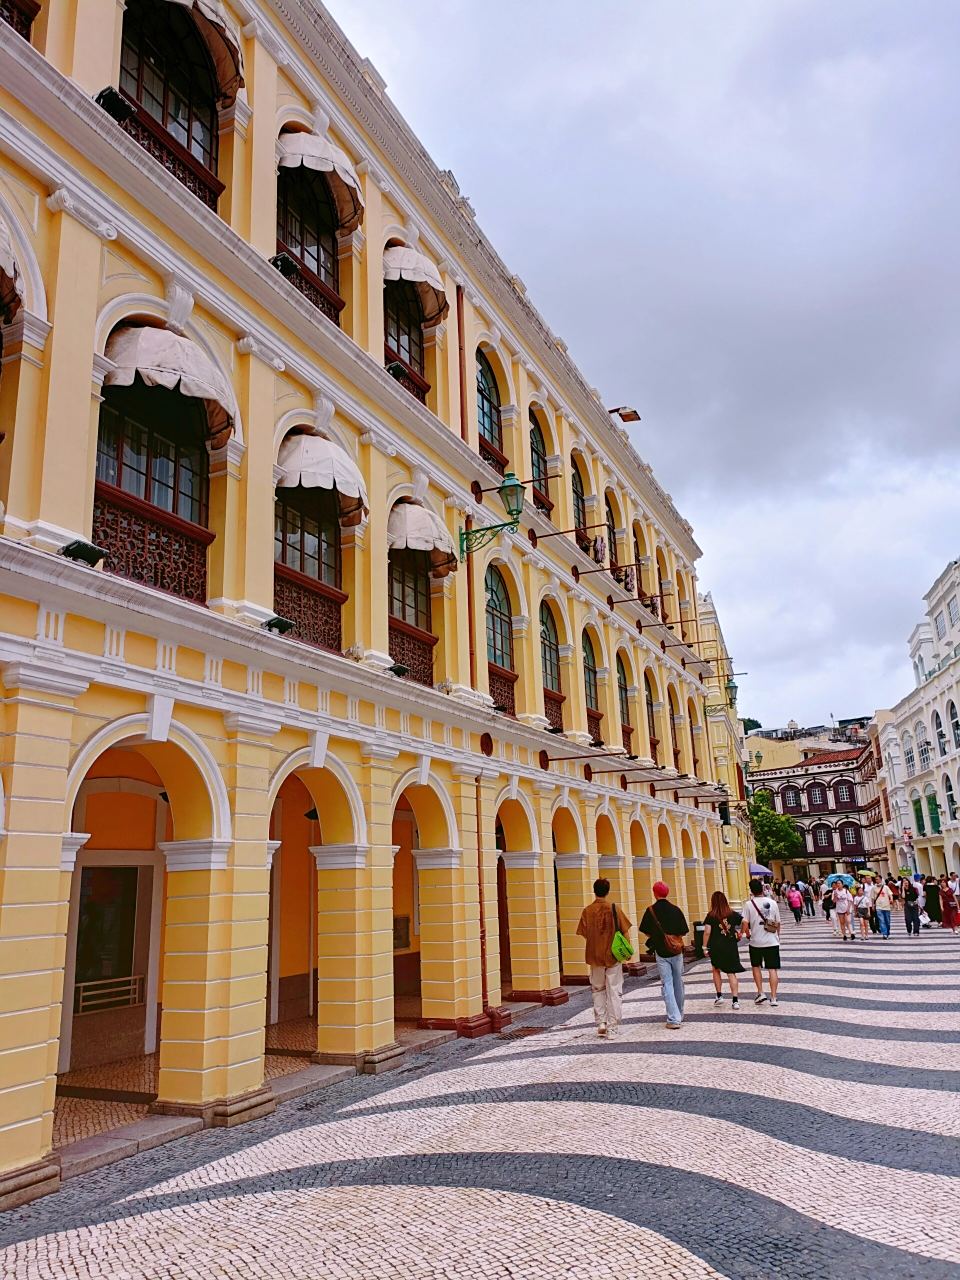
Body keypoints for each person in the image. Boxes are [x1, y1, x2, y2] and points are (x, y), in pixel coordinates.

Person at [576, 878, 633, 1039]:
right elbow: (625, 931)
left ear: (595, 890)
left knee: (597, 989)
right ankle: (613, 1026)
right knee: (614, 990)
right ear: (607, 891)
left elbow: (584, 933)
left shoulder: (587, 911)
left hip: (594, 955)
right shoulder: (614, 908)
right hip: (613, 955)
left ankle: (601, 1022)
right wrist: (627, 951)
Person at [639, 881, 689, 1029]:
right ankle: (679, 1013)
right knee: (678, 982)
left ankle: (673, 1018)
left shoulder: (651, 911)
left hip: (661, 951)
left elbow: (645, 930)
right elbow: (683, 931)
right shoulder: (676, 910)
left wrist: (657, 936)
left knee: (667, 983)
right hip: (676, 950)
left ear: (655, 893)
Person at [742, 877, 782, 1006]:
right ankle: (774, 997)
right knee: (772, 969)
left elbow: (745, 922)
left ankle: (760, 992)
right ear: (763, 889)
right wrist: (777, 935)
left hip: (756, 942)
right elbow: (778, 922)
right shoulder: (772, 903)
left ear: (751, 891)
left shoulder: (749, 904)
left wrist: (747, 933)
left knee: (756, 967)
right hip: (772, 941)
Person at [703, 890, 744, 1009]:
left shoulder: (711, 915)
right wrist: (741, 933)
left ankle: (719, 996)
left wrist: (704, 947)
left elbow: (707, 932)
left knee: (716, 969)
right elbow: (745, 921)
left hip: (716, 947)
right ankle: (735, 1000)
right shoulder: (732, 913)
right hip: (730, 946)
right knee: (731, 973)